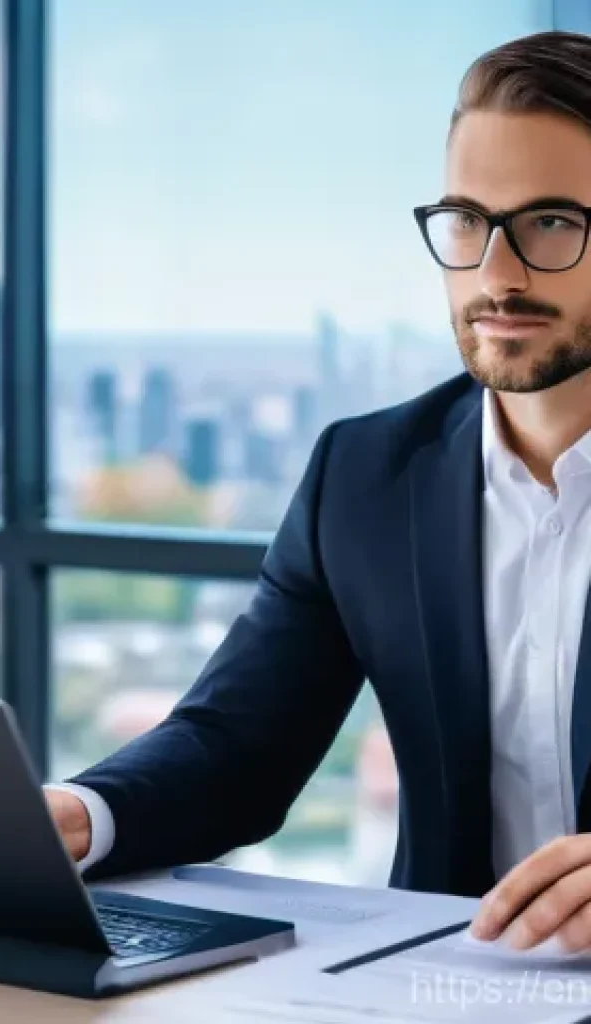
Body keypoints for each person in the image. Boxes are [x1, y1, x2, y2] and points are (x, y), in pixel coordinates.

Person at [44, 30, 591, 954]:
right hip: (441, 989)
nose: (497, 274)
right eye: (467, 221)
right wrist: (79, 814)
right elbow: (239, 747)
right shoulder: (365, 476)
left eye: (550, 223)